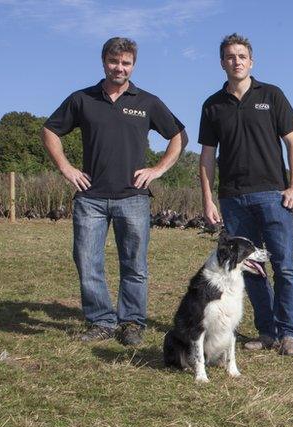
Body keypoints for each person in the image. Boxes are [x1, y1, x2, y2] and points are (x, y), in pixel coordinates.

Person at [42, 37, 187, 346]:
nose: (119, 68)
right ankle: (101, 321)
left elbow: (178, 135)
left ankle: (132, 322)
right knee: (87, 261)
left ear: (133, 65)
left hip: (133, 197)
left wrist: (157, 170)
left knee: (134, 264)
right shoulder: (82, 99)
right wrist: (67, 169)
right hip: (90, 198)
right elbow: (50, 130)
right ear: (103, 61)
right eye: (114, 61)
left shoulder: (147, 101)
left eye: (126, 63)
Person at [198, 33, 293, 356]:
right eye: (230, 56)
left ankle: (288, 332)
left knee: (284, 265)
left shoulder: (271, 95)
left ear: (251, 61)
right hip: (233, 198)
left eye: (242, 56)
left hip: (274, 196)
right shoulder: (212, 105)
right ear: (222, 63)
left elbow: (292, 143)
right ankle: (267, 331)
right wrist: (207, 197)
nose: (236, 61)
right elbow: (206, 157)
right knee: (251, 268)